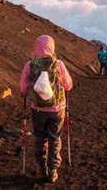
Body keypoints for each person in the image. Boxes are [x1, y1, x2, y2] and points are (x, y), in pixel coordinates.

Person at [20, 35, 73, 183]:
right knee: (54, 138)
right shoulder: (58, 64)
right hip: (57, 109)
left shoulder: (29, 65)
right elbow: (68, 85)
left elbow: (23, 89)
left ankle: (42, 167)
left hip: (37, 110)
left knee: (40, 138)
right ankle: (52, 170)